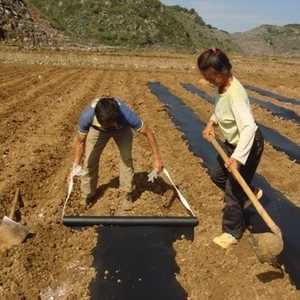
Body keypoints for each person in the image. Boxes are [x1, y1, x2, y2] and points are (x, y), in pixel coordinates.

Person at [199, 48, 264, 249]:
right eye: (207, 78)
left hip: (247, 145)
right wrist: (212, 123)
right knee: (217, 175)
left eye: (212, 78)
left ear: (224, 71)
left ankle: (232, 232)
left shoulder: (236, 94)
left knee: (233, 191)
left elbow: (248, 128)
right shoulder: (222, 87)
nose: (210, 82)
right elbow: (220, 110)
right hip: (231, 144)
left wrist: (237, 158)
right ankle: (251, 192)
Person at [71, 96, 163, 211]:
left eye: (110, 124)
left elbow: (148, 132)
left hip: (122, 129)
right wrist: (76, 164)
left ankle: (126, 194)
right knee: (90, 161)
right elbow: (80, 142)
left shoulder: (126, 114)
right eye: (105, 124)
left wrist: (157, 159)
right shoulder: (87, 116)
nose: (109, 127)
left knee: (126, 159)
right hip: (97, 131)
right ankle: (87, 196)